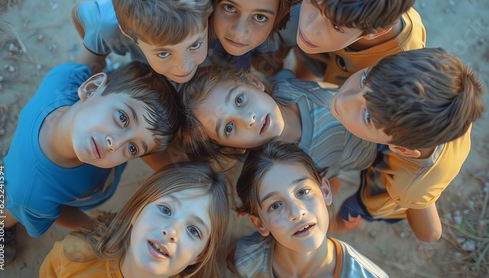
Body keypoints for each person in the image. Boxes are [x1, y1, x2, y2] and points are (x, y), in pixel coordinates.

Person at [0, 60, 183, 268]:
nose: (115, 144)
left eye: (133, 148)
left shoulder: (70, 79)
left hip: (69, 187)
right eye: (122, 118)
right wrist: (93, 226)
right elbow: (57, 212)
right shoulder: (32, 193)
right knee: (13, 210)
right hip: (27, 191)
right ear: (91, 89)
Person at [330, 48, 485, 241]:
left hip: (384, 193)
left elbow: (430, 234)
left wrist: (420, 197)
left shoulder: (410, 185)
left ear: (400, 149)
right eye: (365, 79)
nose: (344, 98)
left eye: (368, 116)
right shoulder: (442, 95)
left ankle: (337, 225)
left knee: (350, 211)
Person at [179, 65, 377, 177]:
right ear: (232, 149)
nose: (248, 119)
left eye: (239, 99)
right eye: (229, 128)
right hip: (364, 158)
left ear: (254, 83)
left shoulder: (284, 85)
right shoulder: (289, 171)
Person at [40, 162, 230, 278]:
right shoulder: (73, 257)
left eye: (194, 230)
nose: (172, 231)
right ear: (137, 212)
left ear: (200, 255)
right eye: (165, 209)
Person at [231, 141, 388, 277]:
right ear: (260, 224)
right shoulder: (246, 260)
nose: (297, 213)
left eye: (303, 192)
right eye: (275, 205)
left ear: (325, 191)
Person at [284, 0, 425, 85]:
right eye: (312, 0)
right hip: (325, 52)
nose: (309, 28)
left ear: (375, 33)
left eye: (336, 26)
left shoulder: (401, 64)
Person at [72, 0, 212, 83]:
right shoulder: (106, 25)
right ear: (128, 34)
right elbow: (79, 12)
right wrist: (95, 45)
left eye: (195, 45)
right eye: (163, 54)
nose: (184, 67)